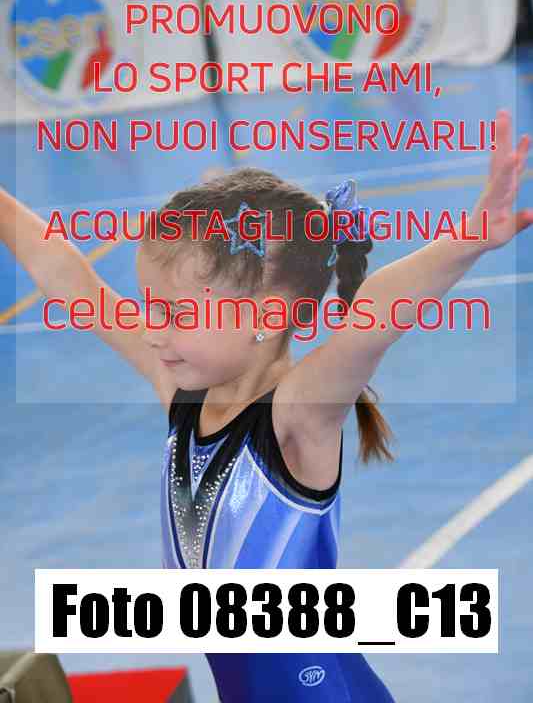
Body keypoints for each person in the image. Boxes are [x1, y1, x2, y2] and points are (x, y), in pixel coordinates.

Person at [1, 110, 530, 702]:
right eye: (150, 308)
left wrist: (468, 239)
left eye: (176, 313)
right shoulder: (182, 395)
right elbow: (71, 281)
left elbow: (372, 317)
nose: (151, 331)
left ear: (269, 316)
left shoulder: (294, 417)